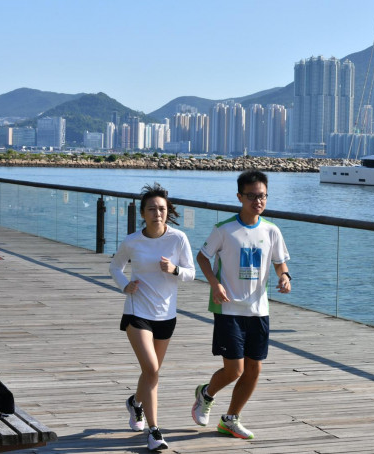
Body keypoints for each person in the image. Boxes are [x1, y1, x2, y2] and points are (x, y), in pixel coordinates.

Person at [192, 169, 291, 440]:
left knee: (254, 369)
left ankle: (231, 419)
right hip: (229, 308)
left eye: (262, 196)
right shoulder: (224, 229)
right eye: (252, 196)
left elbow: (280, 261)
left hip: (258, 310)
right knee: (234, 369)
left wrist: (284, 276)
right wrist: (215, 283)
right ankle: (206, 393)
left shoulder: (272, 231)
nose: (257, 201)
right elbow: (202, 257)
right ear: (239, 197)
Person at [109, 182, 195, 451]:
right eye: (152, 209)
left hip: (166, 314)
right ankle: (154, 431)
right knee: (153, 369)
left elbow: (191, 273)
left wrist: (174, 270)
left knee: (150, 371)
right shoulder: (132, 241)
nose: (158, 213)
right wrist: (124, 285)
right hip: (137, 311)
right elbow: (115, 265)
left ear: (168, 211)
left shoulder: (178, 239)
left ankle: (136, 403)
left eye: (162, 209)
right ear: (143, 213)